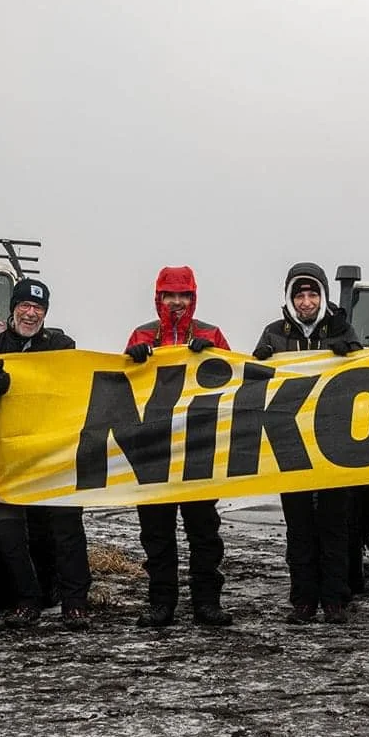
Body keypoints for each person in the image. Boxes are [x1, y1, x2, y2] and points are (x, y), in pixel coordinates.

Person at [0, 277, 93, 624]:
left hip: (55, 457)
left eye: (38, 307)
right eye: (25, 305)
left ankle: (75, 602)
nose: (31, 313)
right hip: (10, 462)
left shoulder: (62, 345)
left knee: (66, 529)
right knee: (11, 534)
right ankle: (27, 600)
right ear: (13, 308)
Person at [252, 263, 363, 623]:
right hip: (291, 443)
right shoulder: (273, 334)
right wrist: (260, 362)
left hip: (335, 442)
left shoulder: (342, 329)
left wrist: (355, 352)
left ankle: (335, 600)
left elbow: (368, 377)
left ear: (323, 296)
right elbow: (254, 382)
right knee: (299, 528)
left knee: (335, 527)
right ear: (290, 298)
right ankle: (303, 600)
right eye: (299, 294)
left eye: (312, 293)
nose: (306, 301)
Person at [123, 266, 232, 627]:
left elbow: (233, 384)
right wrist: (132, 361)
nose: (177, 301)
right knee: (156, 534)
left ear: (193, 297)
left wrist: (214, 355)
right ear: (159, 298)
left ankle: (207, 602)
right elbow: (121, 387)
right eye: (170, 294)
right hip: (153, 450)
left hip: (198, 448)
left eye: (183, 295)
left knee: (204, 532)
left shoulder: (210, 333)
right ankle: (161, 603)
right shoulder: (141, 334)